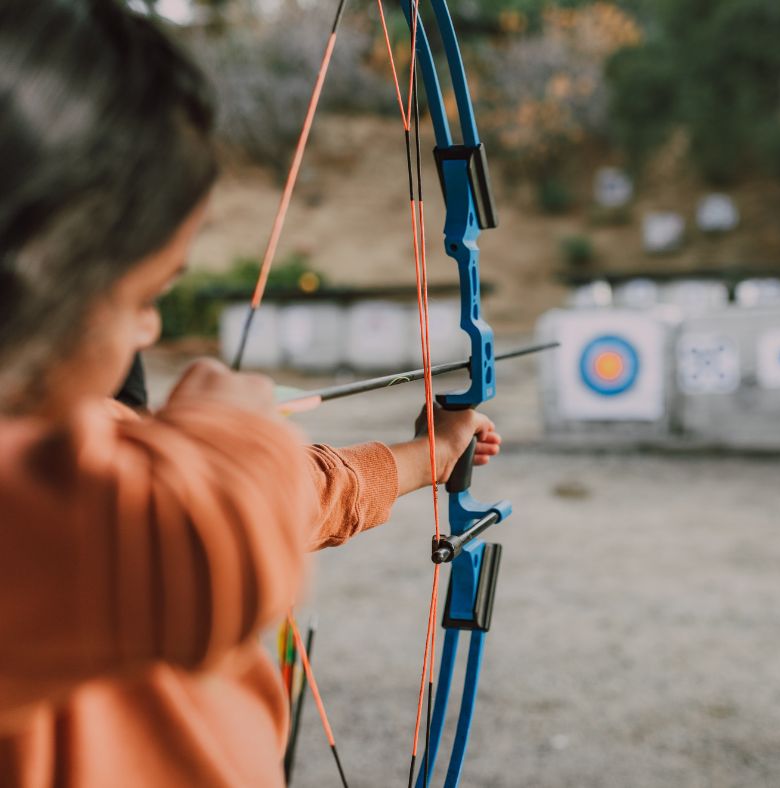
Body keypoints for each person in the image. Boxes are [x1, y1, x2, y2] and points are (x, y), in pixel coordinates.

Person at [0, 1, 501, 785]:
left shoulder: (87, 458)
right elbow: (211, 531)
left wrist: (431, 455)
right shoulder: (91, 515)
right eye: (143, 297)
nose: (150, 329)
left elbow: (294, 494)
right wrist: (226, 420)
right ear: (43, 274)